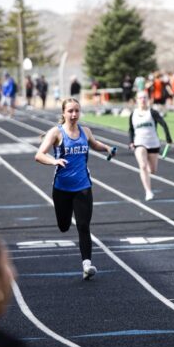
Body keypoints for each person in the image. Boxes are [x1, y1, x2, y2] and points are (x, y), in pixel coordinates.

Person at [34, 98, 114, 278]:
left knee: (84, 226)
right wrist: (54, 160)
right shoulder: (56, 133)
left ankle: (87, 265)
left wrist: (107, 148)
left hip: (83, 186)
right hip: (61, 188)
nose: (74, 114)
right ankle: (67, 213)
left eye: (77, 111)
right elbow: (39, 155)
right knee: (64, 226)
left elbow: (94, 144)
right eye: (70, 111)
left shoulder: (85, 131)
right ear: (63, 113)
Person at [129, 91, 173, 201]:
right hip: (139, 143)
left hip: (153, 143)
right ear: (137, 100)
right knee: (143, 166)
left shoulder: (152, 112)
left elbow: (164, 124)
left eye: (145, 97)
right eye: (140, 98)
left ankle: (146, 175)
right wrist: (131, 141)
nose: (143, 100)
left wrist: (168, 138)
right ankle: (148, 191)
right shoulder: (133, 114)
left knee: (152, 170)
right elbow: (131, 129)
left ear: (148, 99)